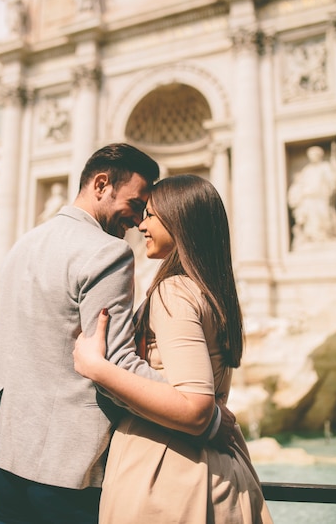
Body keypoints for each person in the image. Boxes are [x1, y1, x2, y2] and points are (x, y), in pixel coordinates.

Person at [0, 144, 233, 524]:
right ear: (102, 184)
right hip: (67, 467)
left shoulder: (23, 244)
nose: (137, 220)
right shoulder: (107, 253)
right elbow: (114, 363)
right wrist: (200, 411)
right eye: (137, 203)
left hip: (4, 453)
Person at [74, 174, 273, 524]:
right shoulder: (210, 289)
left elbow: (195, 409)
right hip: (213, 469)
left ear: (179, 219)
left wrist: (96, 366)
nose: (141, 225)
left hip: (170, 476)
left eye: (150, 215)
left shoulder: (174, 292)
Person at [288, 144, 336, 249]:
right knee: (311, 223)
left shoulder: (325, 166)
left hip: (321, 198)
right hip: (308, 199)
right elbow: (300, 184)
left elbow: (332, 181)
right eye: (311, 155)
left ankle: (325, 237)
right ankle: (312, 239)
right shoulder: (307, 170)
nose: (313, 157)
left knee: (324, 219)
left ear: (320, 155)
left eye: (315, 154)